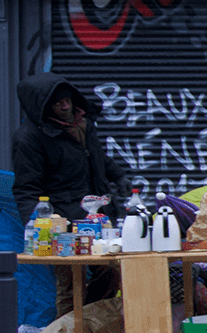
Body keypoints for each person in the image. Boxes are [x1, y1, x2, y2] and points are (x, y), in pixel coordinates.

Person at [12, 72, 128, 316]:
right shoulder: (29, 139)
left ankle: (90, 325)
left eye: (67, 100)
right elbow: (26, 189)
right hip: (62, 220)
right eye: (57, 103)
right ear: (42, 107)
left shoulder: (82, 123)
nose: (65, 107)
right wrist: (37, 226)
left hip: (97, 217)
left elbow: (95, 155)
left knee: (111, 271)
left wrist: (118, 175)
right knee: (70, 284)